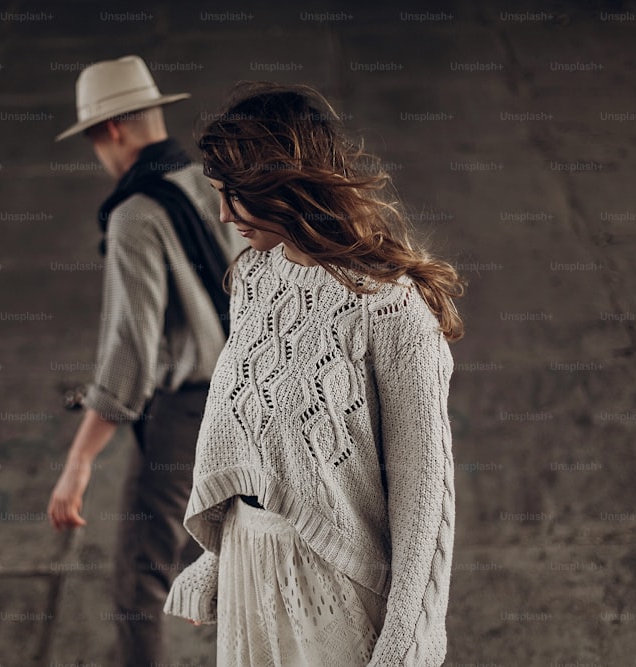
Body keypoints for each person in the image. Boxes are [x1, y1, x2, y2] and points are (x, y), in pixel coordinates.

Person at [162, 81, 465, 666]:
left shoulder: (390, 309)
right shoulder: (255, 278)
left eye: (235, 195)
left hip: (335, 588)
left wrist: (406, 642)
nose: (223, 214)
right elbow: (258, 447)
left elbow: (423, 495)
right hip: (251, 576)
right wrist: (217, 560)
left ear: (283, 186)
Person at [46, 56, 244, 666]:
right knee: (228, 557)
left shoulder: (134, 215)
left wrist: (80, 460)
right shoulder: (213, 184)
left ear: (108, 131)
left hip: (186, 415)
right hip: (249, 393)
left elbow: (130, 352)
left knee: (141, 579)